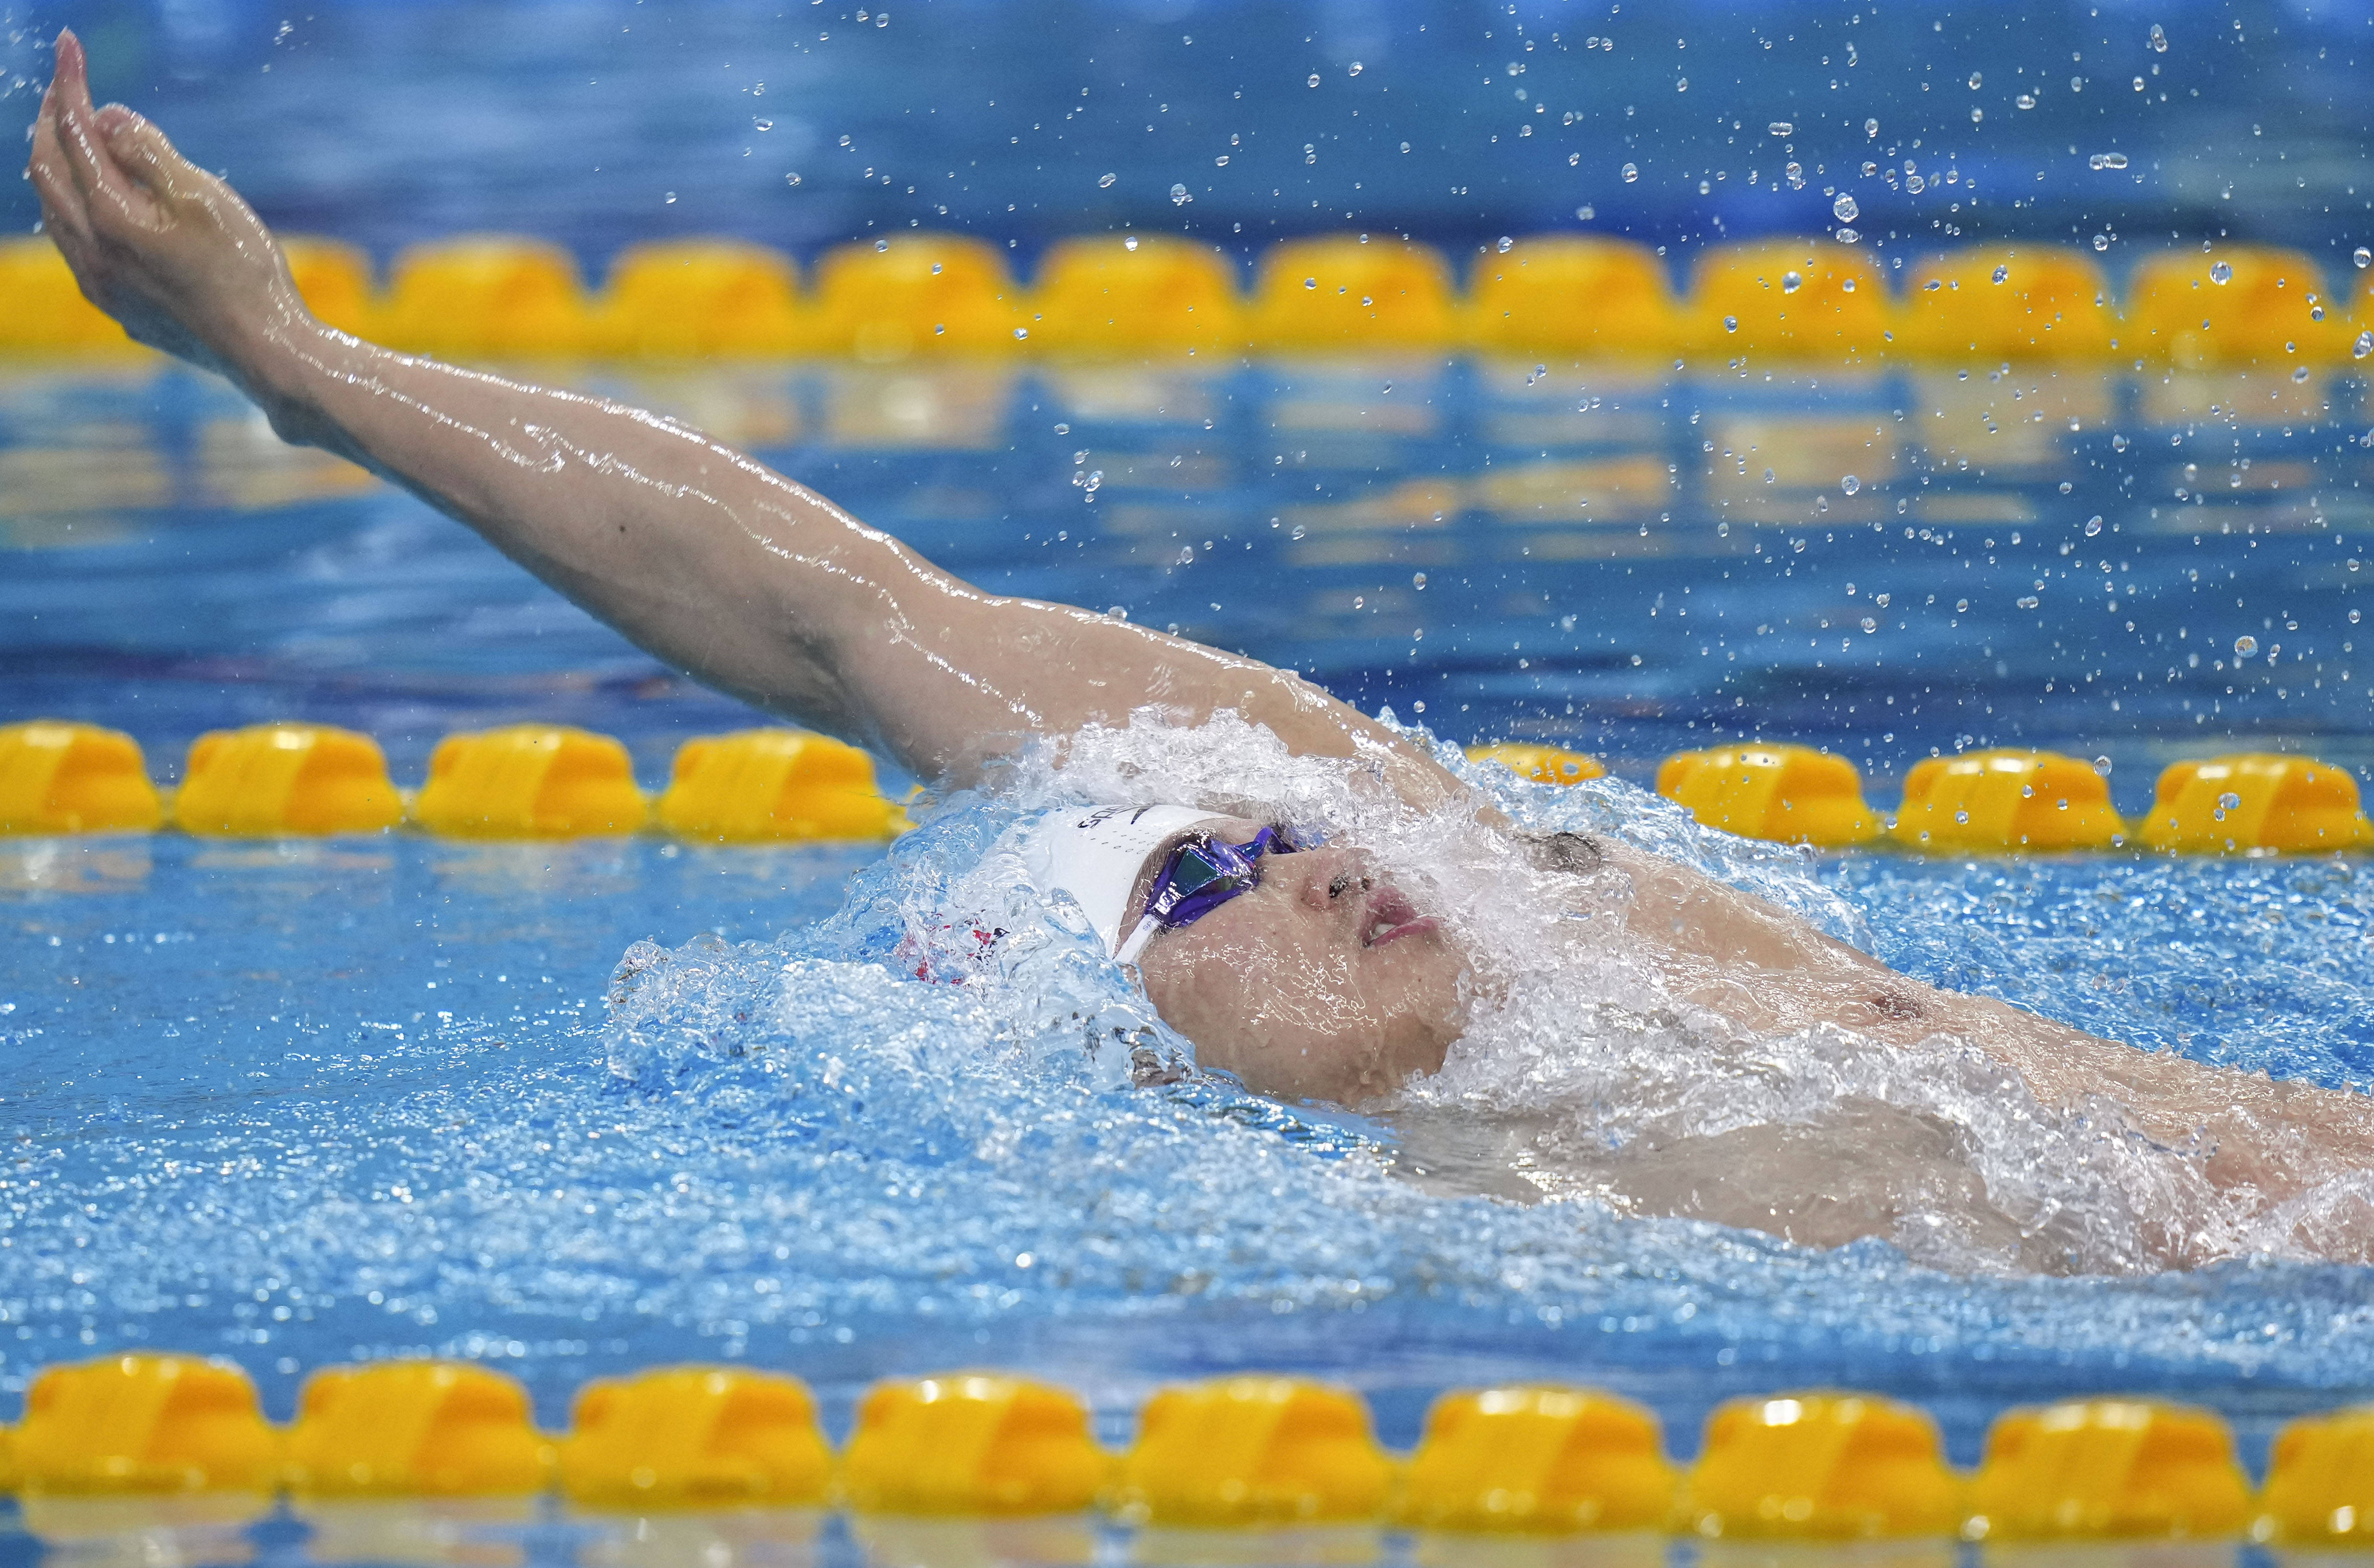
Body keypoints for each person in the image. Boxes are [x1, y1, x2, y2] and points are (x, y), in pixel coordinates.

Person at [28, 32, 2374, 1263]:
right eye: (1200, 889)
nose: (1309, 860)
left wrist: (300, 358)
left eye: (1266, 832)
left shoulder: (1515, 882)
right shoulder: (1498, 1208)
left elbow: (839, 613)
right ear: (1129, 1056)